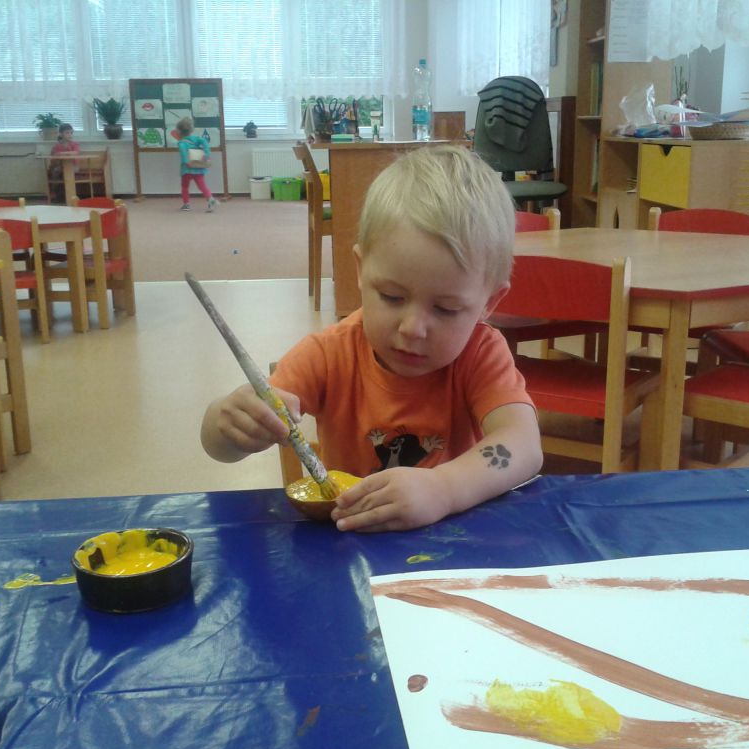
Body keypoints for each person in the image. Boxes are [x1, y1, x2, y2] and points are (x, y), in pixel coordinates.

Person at [201, 145, 543, 533]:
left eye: (446, 309)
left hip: (454, 540)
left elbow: (524, 444)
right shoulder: (329, 354)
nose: (413, 328)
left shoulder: (480, 352)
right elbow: (218, 448)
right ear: (361, 271)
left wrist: (444, 489)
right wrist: (227, 423)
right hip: (348, 542)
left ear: (489, 303)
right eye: (393, 297)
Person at [176, 116, 218, 212]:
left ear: (179, 131)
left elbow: (183, 153)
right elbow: (204, 141)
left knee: (185, 186)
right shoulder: (196, 138)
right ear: (191, 129)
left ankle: (186, 204)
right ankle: (210, 199)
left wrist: (186, 162)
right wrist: (206, 154)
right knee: (202, 185)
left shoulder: (181, 143)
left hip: (187, 169)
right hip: (198, 167)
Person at [48, 123, 80, 202]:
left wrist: (63, 153)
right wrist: (58, 155)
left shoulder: (74, 144)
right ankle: (55, 194)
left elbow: (75, 152)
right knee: (55, 172)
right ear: (61, 134)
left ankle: (70, 195)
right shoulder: (57, 145)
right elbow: (54, 155)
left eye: (71, 133)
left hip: (73, 166)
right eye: (67, 133)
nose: (70, 135)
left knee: (68, 172)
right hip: (60, 166)